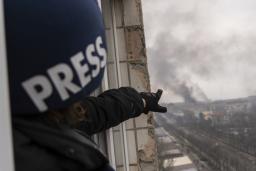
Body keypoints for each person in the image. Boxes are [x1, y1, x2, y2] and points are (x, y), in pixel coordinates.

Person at [4, 0, 167, 170]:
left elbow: (88, 115)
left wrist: (140, 101)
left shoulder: (31, 123)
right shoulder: (53, 157)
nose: (77, 106)